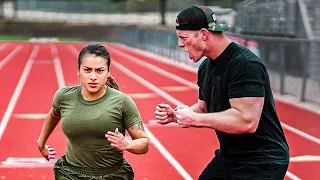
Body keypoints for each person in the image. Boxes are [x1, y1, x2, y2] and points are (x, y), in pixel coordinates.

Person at [155, 5, 289, 180]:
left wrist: (194, 119)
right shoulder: (205, 66)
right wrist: (177, 115)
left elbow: (247, 121)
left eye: (183, 38)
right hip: (230, 157)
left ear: (203, 34)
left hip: (262, 160)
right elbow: (203, 108)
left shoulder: (245, 65)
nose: (180, 44)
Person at [37, 44, 149, 179]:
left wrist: (127, 144)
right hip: (70, 174)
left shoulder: (123, 102)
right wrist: (41, 142)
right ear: (78, 70)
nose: (93, 76)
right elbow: (54, 114)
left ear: (108, 72)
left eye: (99, 70)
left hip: (112, 175)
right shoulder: (64, 96)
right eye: (87, 70)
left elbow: (144, 143)